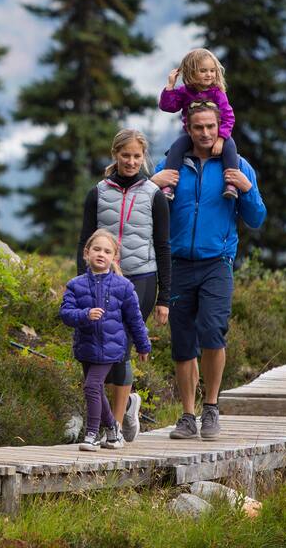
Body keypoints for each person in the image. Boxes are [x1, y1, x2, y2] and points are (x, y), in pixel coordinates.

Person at [151, 101, 265, 441]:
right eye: (198, 127)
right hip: (177, 262)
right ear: (188, 128)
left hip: (217, 261)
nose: (204, 133)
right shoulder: (170, 166)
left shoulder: (238, 166)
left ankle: (211, 407)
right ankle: (187, 415)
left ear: (220, 128)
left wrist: (247, 189)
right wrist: (152, 184)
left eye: (210, 127)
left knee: (213, 331)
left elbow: (257, 218)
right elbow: (142, 208)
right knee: (183, 341)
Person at [75, 129, 171, 443]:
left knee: (120, 349)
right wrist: (81, 286)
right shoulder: (98, 193)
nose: (130, 162)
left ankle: (112, 428)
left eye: (136, 156)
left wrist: (164, 296)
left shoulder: (154, 195)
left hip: (140, 279)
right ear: (115, 155)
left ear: (144, 159)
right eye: (125, 155)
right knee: (97, 350)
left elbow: (163, 246)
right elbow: (83, 243)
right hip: (101, 282)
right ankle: (125, 406)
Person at [60, 229, 152, 452]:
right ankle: (113, 431)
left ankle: (91, 433)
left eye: (107, 251)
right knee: (96, 391)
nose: (101, 254)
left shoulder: (124, 287)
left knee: (92, 386)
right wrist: (84, 315)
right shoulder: (76, 285)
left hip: (111, 348)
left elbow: (135, 320)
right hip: (86, 347)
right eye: (97, 249)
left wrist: (143, 345)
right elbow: (65, 313)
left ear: (114, 258)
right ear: (86, 253)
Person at [159, 48, 240, 199]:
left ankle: (231, 185)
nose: (209, 74)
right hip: (192, 134)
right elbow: (168, 106)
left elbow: (228, 117)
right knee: (176, 148)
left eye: (212, 70)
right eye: (203, 71)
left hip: (218, 134)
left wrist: (221, 139)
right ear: (191, 72)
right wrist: (170, 86)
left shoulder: (218, 93)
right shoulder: (184, 92)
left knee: (230, 147)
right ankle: (168, 186)